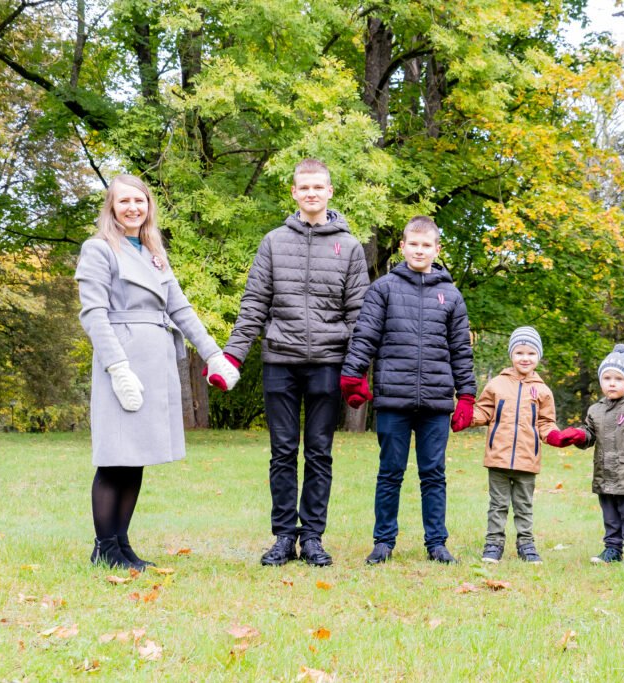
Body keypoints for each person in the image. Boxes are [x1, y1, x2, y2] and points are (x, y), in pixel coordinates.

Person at [75, 174, 239, 571]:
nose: (132, 207)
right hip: (122, 359)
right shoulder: (99, 249)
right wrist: (117, 368)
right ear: (111, 207)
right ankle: (104, 547)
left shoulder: (153, 252)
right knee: (115, 457)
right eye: (124, 201)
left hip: (155, 361)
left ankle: (121, 544)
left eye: (140, 200)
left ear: (149, 206)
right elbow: (94, 314)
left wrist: (215, 355)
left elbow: (180, 309)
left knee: (136, 457)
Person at [222, 159, 369, 567]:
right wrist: (233, 354)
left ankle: (313, 537)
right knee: (282, 451)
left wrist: (356, 369)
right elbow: (254, 302)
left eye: (318, 187)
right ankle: (284, 537)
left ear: (330, 191)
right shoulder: (273, 242)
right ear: (294, 192)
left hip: (328, 362)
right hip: (280, 361)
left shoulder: (350, 247)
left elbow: (359, 315)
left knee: (319, 452)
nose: (311, 193)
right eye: (304, 187)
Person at [339, 216, 476, 566]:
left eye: (426, 245)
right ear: (402, 247)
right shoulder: (383, 289)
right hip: (393, 399)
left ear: (437, 249)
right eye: (413, 244)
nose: (419, 250)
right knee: (390, 472)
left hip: (436, 401)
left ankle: (437, 543)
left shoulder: (451, 296)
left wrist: (466, 395)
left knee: (434, 474)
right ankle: (384, 542)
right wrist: (353, 374)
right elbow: (365, 335)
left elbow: (461, 350)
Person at [470, 326, 575, 565]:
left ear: (538, 356)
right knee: (497, 505)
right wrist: (467, 416)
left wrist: (554, 436)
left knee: (524, 505)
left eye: (530, 353)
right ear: (511, 355)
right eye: (519, 353)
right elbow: (484, 411)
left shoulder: (543, 391)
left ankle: (526, 544)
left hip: (527, 458)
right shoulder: (496, 384)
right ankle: (493, 544)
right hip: (498, 457)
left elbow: (546, 422)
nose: (525, 358)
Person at [563, 345, 624, 567]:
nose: (612, 383)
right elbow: (589, 435)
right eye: (607, 378)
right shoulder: (595, 410)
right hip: (605, 474)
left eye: (618, 379)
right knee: (610, 517)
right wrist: (578, 435)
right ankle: (612, 549)